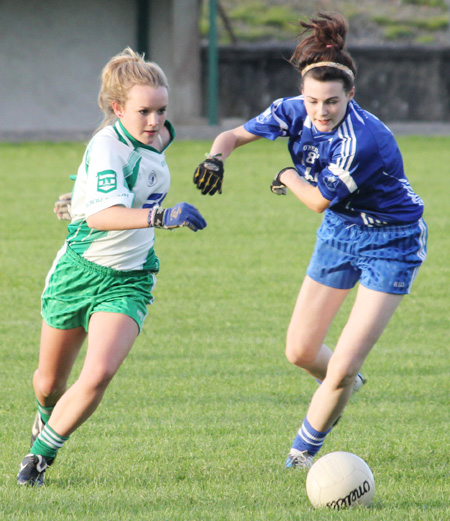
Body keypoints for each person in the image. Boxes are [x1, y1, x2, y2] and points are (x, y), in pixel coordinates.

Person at [193, 12, 427, 469]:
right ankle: (345, 387)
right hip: (342, 232)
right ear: (303, 94)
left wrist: (284, 174)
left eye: (332, 102)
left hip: (391, 242)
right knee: (300, 351)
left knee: (339, 367)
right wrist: (215, 157)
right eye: (314, 100)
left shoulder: (364, 139)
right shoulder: (292, 111)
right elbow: (233, 135)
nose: (321, 111)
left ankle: (301, 455)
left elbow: (317, 199)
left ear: (351, 96)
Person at [17, 48, 207, 486]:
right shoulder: (106, 145)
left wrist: (80, 196)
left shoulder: (157, 135)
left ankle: (38, 458)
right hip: (78, 273)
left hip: (131, 277)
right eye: (144, 111)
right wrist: (160, 216)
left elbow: (119, 186)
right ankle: (46, 414)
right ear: (117, 108)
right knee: (48, 384)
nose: (155, 121)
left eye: (161, 110)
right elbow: (104, 215)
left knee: (98, 374)